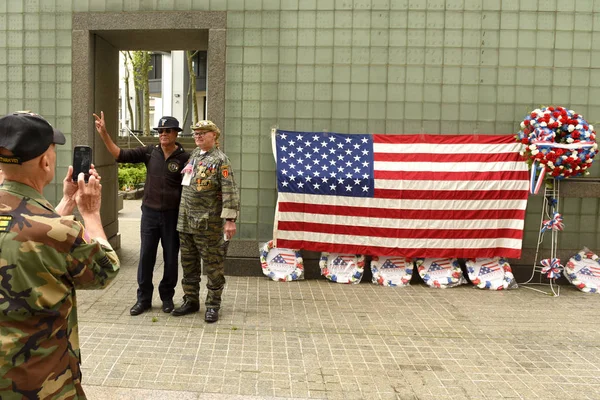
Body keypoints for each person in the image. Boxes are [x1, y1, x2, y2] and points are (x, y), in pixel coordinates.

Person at [0, 111, 120, 398]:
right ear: (45, 161)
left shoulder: (54, 227)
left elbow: (21, 228)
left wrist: (66, 201)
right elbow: (105, 269)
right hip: (39, 380)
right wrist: (89, 212)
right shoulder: (62, 231)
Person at [94, 112, 189, 315]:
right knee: (146, 257)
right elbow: (119, 154)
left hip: (172, 216)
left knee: (171, 258)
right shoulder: (149, 152)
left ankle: (167, 298)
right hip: (150, 215)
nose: (162, 134)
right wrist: (104, 133)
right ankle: (143, 299)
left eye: (167, 131)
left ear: (176, 133)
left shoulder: (185, 158)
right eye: (160, 131)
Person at [172, 120, 239, 322]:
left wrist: (230, 220)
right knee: (188, 264)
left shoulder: (221, 160)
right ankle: (191, 300)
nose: (198, 136)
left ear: (214, 136)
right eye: (195, 134)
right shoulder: (194, 155)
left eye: (203, 133)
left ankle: (212, 305)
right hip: (186, 221)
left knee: (213, 265)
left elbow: (229, 191)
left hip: (207, 224)